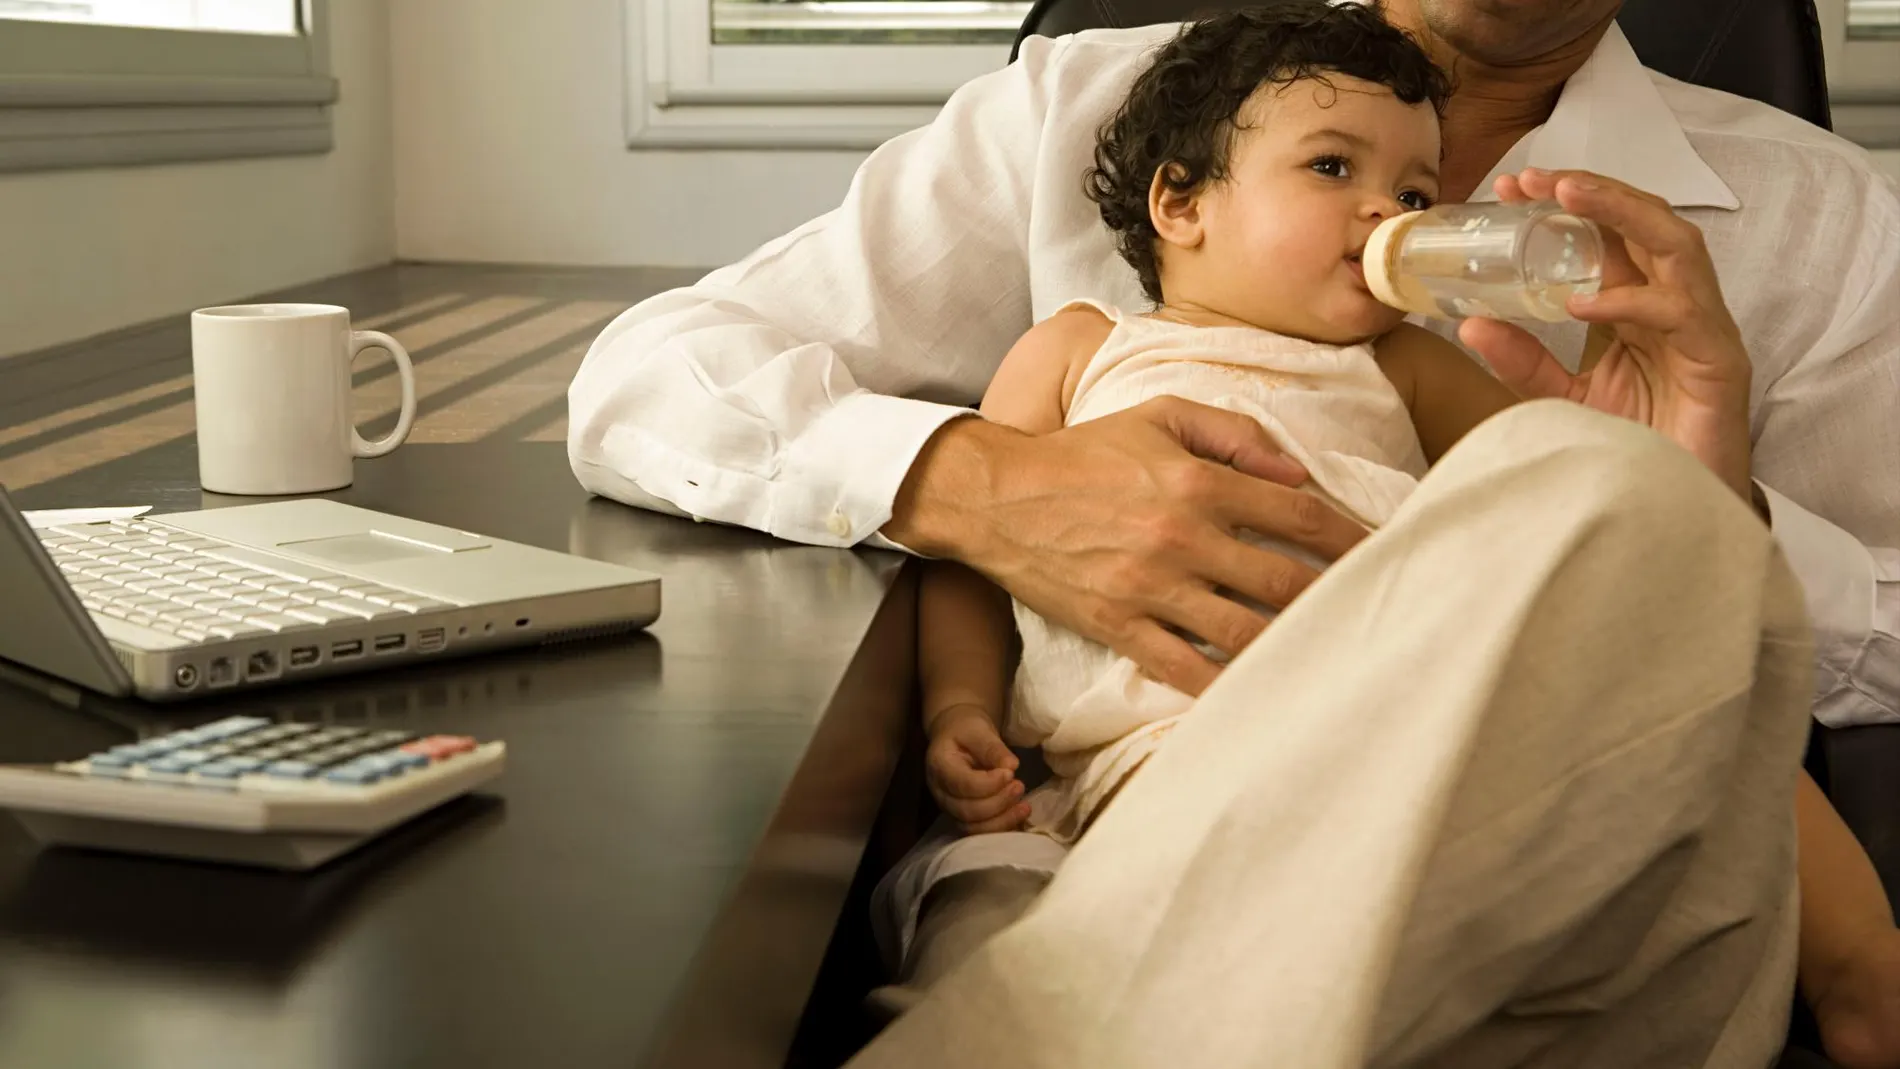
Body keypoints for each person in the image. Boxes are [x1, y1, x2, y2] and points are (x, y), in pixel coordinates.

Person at [566, 0, 1900, 1061]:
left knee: (1645, 535)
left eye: (1414, 188)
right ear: (1178, 202)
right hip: (1145, 785)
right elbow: (647, 377)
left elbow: (1692, 619)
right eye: (1334, 170)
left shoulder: (1817, 221)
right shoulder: (1083, 217)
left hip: (1450, 786)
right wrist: (982, 494)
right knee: (1007, 904)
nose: (1390, 214)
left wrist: (1706, 507)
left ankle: (1865, 976)